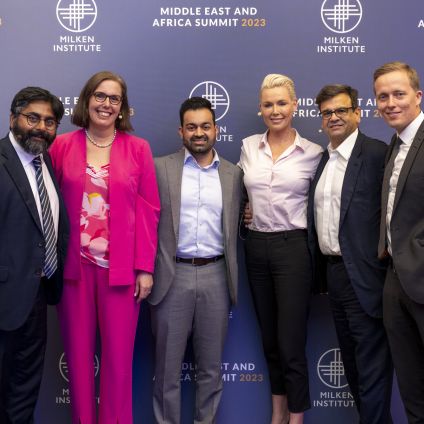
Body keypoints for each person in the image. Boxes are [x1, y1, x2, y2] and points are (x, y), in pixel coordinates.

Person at [49, 71, 160, 424]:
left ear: (123, 107)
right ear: (87, 100)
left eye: (114, 99)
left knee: (117, 365)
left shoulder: (138, 148)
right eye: (100, 96)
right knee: (79, 362)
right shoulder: (61, 146)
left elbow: (149, 211)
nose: (106, 104)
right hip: (72, 272)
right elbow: (47, 204)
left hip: (121, 272)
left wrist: (145, 267)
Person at [149, 97, 242, 424]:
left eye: (205, 126)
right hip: (172, 276)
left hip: (217, 275)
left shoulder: (234, 174)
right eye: (192, 127)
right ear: (181, 131)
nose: (199, 133)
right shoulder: (160, 168)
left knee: (211, 371)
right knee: (167, 372)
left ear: (216, 129)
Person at [238, 74, 323, 424]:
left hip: (294, 250)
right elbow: (239, 192)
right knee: (270, 340)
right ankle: (277, 413)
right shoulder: (247, 147)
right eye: (269, 104)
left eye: (282, 103)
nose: (276, 110)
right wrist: (247, 210)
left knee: (291, 342)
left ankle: (297, 417)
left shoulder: (314, 153)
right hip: (257, 248)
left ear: (295, 105)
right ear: (260, 108)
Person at [307, 84, 393, 424]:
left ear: (357, 113)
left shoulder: (375, 154)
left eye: (341, 110)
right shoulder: (322, 160)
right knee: (356, 369)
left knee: (372, 370)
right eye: (327, 112)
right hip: (334, 276)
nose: (334, 117)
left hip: (367, 276)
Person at [0, 87, 69, 423]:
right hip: (4, 299)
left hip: (38, 296)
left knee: (24, 391)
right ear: (13, 118)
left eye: (50, 122)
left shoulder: (45, 164)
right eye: (33, 118)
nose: (42, 127)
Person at [374, 61, 424, 423]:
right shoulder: (396, 143)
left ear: (418, 96)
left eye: (399, 94)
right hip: (395, 280)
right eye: (382, 96)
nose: (390, 102)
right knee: (411, 386)